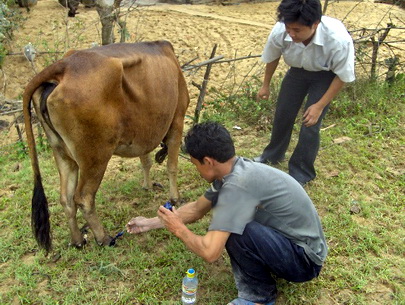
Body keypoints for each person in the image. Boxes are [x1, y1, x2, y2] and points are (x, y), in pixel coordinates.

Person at [126, 122, 328, 305]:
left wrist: (179, 229)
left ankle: (259, 298)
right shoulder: (232, 172)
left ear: (208, 161)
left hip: (305, 261)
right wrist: (151, 223)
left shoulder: (236, 187)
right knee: (233, 224)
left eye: (195, 164)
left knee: (238, 230)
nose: (196, 170)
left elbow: (210, 252)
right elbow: (197, 209)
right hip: (294, 245)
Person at [254, 0, 355, 186]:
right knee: (283, 113)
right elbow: (273, 56)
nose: (291, 34)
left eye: (297, 30)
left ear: (315, 24)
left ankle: (301, 171)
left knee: (310, 122)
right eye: (288, 28)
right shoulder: (281, 30)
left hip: (326, 76)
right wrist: (265, 85)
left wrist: (319, 106)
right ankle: (272, 156)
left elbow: (342, 76)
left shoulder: (338, 40)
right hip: (297, 72)